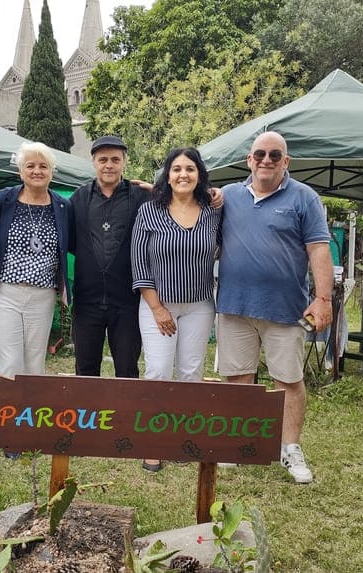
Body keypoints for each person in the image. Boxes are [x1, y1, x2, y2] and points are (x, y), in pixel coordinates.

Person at [216, 131, 333, 484]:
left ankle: (290, 448)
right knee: (237, 378)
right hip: (235, 306)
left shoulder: (304, 198)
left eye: (275, 155)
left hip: (285, 309)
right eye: (260, 154)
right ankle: (240, 443)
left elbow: (319, 251)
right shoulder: (229, 197)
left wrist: (323, 299)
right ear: (249, 160)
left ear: (286, 161)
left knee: (288, 380)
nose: (266, 160)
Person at [131, 147, 221, 472]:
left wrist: (220, 194)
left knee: (190, 373)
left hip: (199, 306)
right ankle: (154, 443)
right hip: (158, 305)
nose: (183, 174)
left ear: (200, 175)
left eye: (190, 169)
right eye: (177, 168)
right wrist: (157, 308)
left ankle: (183, 439)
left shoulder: (213, 211)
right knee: (157, 371)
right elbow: (139, 262)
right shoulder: (149, 212)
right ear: (167, 175)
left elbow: (224, 244)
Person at [0, 141, 72, 381]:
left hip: (42, 296)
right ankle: (10, 418)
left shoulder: (63, 206)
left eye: (43, 166)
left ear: (52, 171)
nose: (37, 171)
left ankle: (31, 418)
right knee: (11, 363)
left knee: (35, 365)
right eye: (30, 165)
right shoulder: (0, 201)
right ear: (20, 171)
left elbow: (69, 245)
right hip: (6, 294)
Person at [68, 136, 149, 379]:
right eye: (103, 160)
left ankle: (123, 418)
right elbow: (70, 241)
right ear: (93, 162)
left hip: (127, 301)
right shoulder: (78, 199)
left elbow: (179, 200)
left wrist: (157, 189)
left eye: (115, 159)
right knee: (85, 370)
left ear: (124, 162)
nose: (109, 165)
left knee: (126, 371)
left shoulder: (141, 197)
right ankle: (90, 417)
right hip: (87, 301)